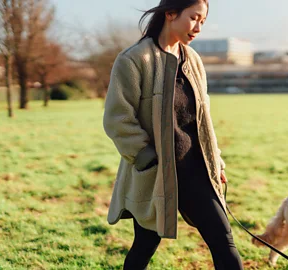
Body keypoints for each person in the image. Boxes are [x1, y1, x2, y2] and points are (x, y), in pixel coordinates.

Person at [102, 0, 244, 269]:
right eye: (193, 18)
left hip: (197, 171)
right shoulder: (133, 59)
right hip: (156, 175)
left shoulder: (194, 60)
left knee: (225, 245)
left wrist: (216, 162)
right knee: (144, 247)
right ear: (170, 13)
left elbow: (203, 119)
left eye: (203, 21)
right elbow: (117, 119)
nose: (198, 27)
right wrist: (147, 158)